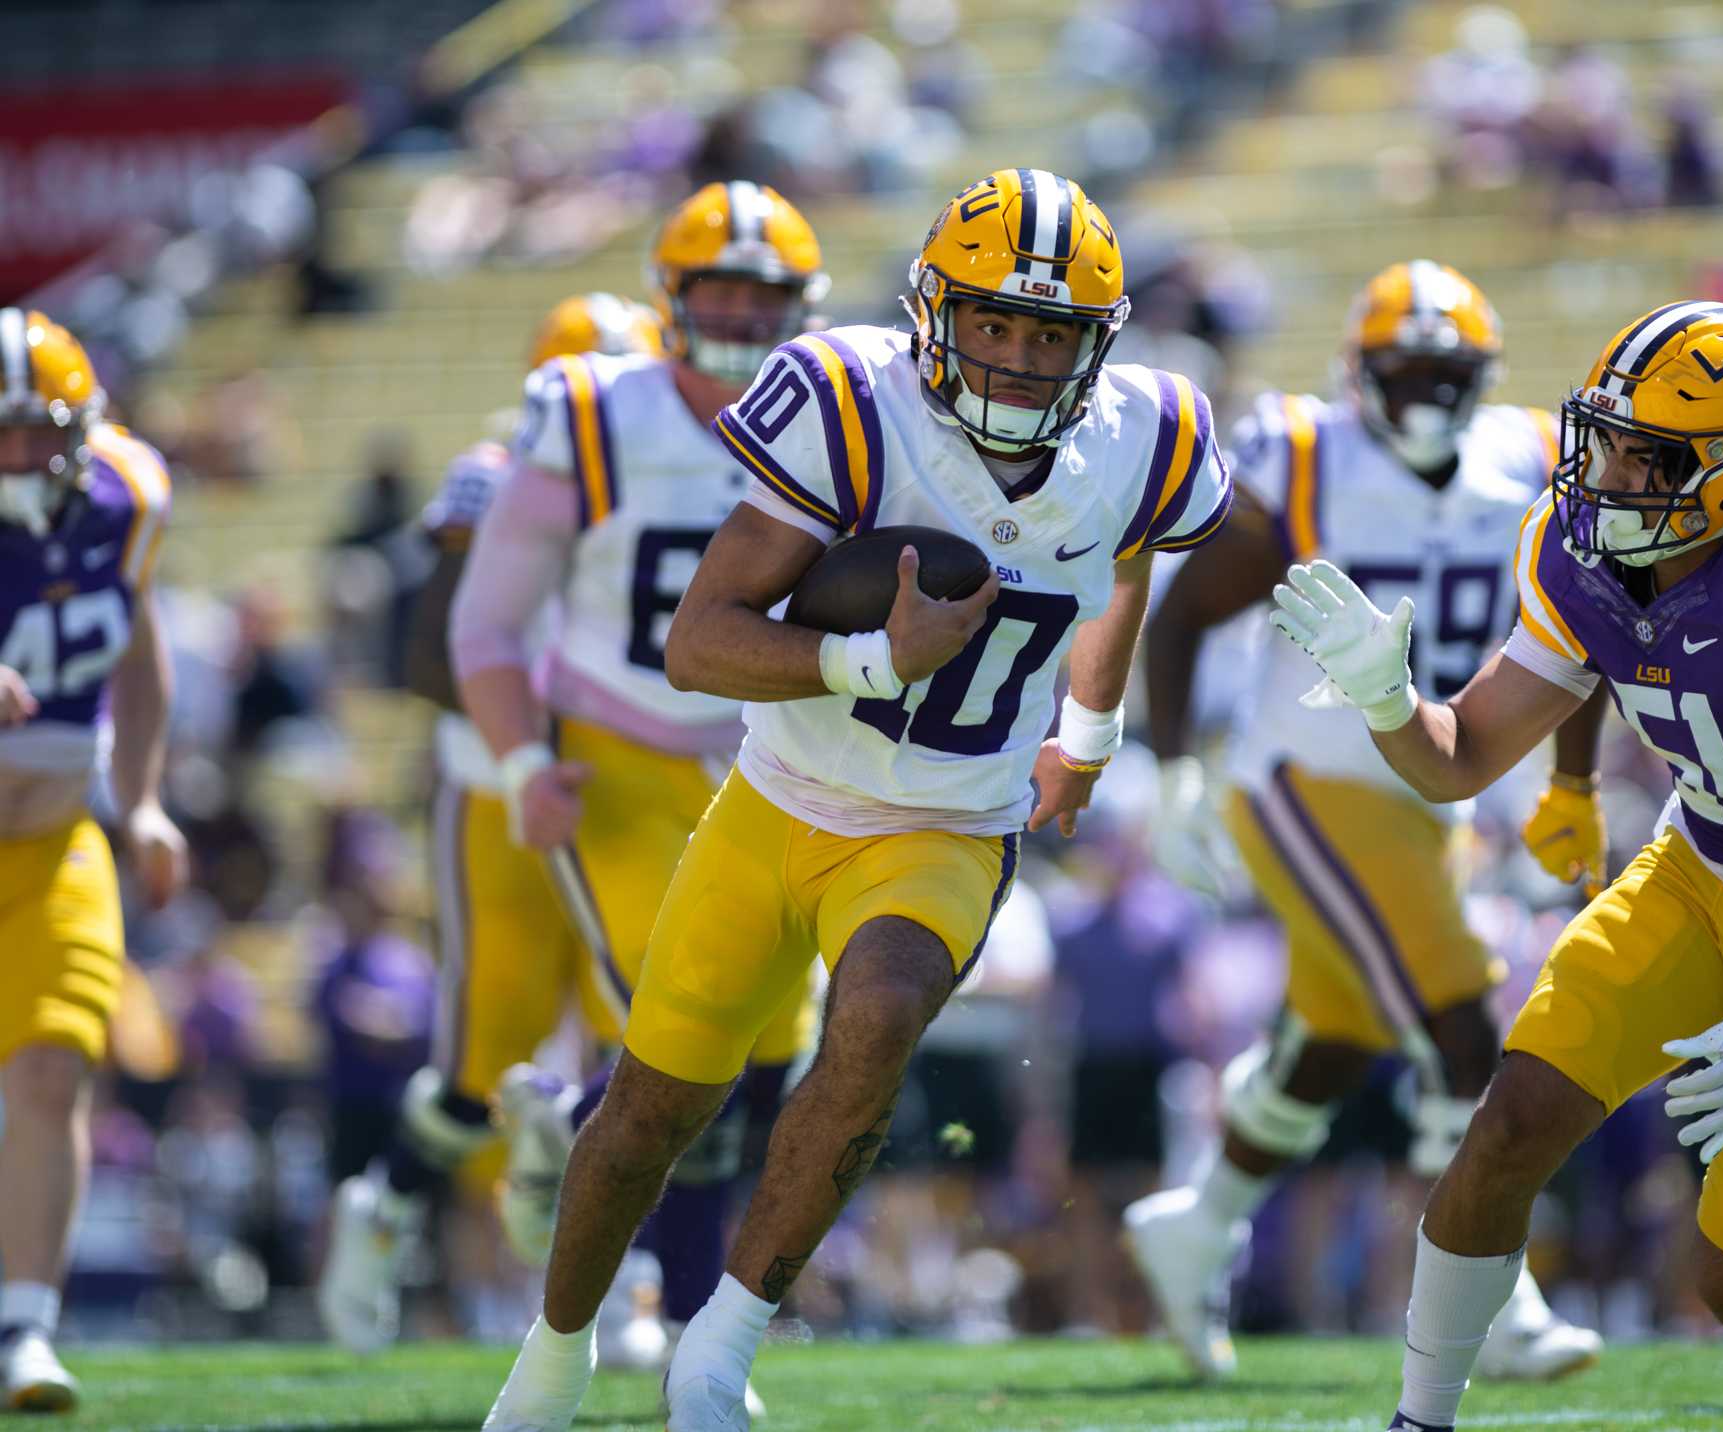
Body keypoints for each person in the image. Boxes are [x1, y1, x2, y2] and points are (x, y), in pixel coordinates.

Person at [480, 165, 1232, 1432]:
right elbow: (700, 640)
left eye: (1047, 333)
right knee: (649, 1109)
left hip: (947, 824)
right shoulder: (850, 400)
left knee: (877, 1017)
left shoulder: (1147, 435)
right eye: (990, 321)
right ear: (934, 313)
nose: (1012, 355)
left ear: (1095, 344)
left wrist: (1090, 735)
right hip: (779, 800)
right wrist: (872, 657)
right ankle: (551, 1360)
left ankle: (717, 1353)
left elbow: (1126, 570)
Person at [1269, 301, 1723, 1432]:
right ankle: (1418, 1418)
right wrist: (1384, 697)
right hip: (1699, 869)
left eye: (1649, 453)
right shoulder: (1577, 544)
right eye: (1608, 438)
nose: (1610, 470)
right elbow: (1460, 761)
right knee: (1509, 1120)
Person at [318, 185, 828, 1372]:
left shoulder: (824, 414)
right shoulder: (564, 431)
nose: (743, 320)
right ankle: (404, 1207)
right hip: (543, 769)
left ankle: (646, 1272)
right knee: (490, 1060)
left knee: (744, 1037)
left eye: (767, 298)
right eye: (721, 292)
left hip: (728, 757)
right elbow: (461, 629)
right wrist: (521, 752)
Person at [1121, 259, 1596, 1381]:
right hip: (1307, 781)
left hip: (1431, 793)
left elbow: (1587, 635)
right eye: (1406, 368)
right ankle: (1498, 1288)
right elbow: (1184, 616)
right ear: (1357, 374)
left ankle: (1197, 1224)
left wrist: (1570, 783)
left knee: (1334, 1041)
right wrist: (1177, 767)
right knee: (1460, 1017)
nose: (1428, 390)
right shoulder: (1306, 454)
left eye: (1447, 370)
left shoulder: (1524, 461)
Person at [0, 309, 189, 1411]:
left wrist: (149, 798)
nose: (21, 458)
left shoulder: (129, 491)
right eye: (2, 434)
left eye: (39, 434)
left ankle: (24, 1326)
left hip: (59, 826)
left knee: (54, 1065)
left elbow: (143, 637)